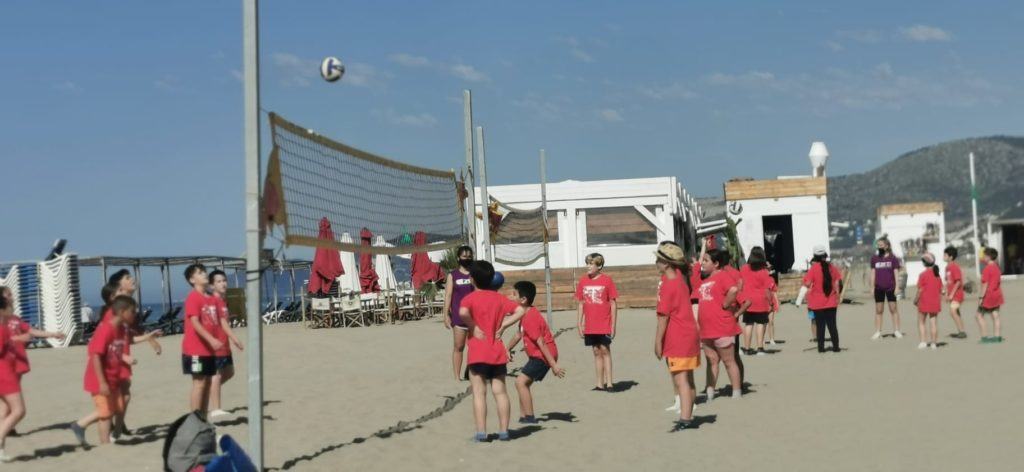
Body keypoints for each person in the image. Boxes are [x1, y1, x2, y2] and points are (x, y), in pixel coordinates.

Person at [458, 261, 527, 442]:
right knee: (500, 392)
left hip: (478, 352)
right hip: (496, 351)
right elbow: (520, 310)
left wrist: (473, 326)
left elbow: (463, 313)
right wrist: (504, 325)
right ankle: (504, 431)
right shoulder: (499, 298)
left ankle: (481, 433)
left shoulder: (469, 298)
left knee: (479, 393)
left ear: (472, 279)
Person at [69, 296, 137, 447]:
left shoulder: (122, 329)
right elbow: (96, 356)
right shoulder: (106, 329)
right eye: (132, 311)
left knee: (117, 407)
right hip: (98, 379)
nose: (135, 314)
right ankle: (104, 445)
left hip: (113, 378)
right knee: (105, 413)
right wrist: (102, 382)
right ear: (122, 312)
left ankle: (80, 425)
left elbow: (116, 352)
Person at [0, 286, 65, 441]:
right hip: (6, 363)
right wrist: (19, 339)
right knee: (10, 402)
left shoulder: (15, 319)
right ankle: (4, 428)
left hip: (16, 361)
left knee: (9, 401)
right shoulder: (3, 320)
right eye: (8, 294)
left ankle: (8, 428)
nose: (12, 296)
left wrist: (52, 334)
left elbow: (31, 331)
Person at [106, 270, 161, 440]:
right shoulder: (115, 308)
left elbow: (132, 332)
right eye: (127, 278)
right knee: (120, 392)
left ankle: (117, 425)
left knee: (124, 391)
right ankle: (110, 426)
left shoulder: (130, 306)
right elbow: (107, 336)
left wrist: (151, 339)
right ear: (119, 286)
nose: (133, 279)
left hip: (123, 353)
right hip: (115, 355)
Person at [653, 242, 700, 431]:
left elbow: (663, 317)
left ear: (666, 263)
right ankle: (688, 412)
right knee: (688, 378)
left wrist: (658, 341)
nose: (656, 263)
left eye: (659, 259)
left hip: (678, 336)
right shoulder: (679, 278)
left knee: (681, 380)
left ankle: (685, 418)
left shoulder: (669, 285)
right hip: (689, 333)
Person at [505, 281, 565, 425]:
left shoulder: (530, 318)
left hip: (543, 356)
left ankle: (529, 417)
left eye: (513, 294)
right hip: (538, 355)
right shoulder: (525, 313)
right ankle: (524, 415)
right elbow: (518, 334)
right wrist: (507, 348)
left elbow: (541, 342)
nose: (510, 297)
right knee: (523, 384)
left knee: (520, 382)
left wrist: (553, 365)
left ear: (523, 300)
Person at [697, 249, 742, 400]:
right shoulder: (705, 280)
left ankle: (736, 392)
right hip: (706, 328)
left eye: (706, 260)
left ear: (716, 263)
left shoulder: (723, 276)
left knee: (729, 361)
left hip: (722, 325)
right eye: (703, 260)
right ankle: (710, 391)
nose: (703, 263)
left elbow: (734, 289)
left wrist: (725, 304)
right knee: (711, 361)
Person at [181, 264, 223, 415]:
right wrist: (211, 340)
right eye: (199, 273)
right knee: (199, 383)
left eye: (204, 271)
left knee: (207, 382)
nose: (204, 274)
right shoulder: (193, 297)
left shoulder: (210, 298)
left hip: (209, 351)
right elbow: (195, 322)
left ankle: (203, 417)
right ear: (192, 280)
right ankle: (195, 419)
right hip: (195, 351)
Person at [575, 253, 619, 391]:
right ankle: (599, 383)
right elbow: (581, 303)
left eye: (591, 264)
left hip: (604, 323)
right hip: (590, 324)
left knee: (605, 350)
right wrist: (579, 323)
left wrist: (613, 325)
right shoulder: (583, 281)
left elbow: (613, 303)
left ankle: (609, 383)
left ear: (599, 266)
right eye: (587, 263)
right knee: (596, 351)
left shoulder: (607, 280)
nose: (588, 266)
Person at [207, 270, 245, 418]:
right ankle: (216, 408)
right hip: (217, 344)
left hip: (224, 344)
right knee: (216, 375)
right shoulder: (213, 301)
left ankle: (209, 389)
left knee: (229, 372)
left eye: (224, 280)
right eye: (219, 281)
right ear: (212, 286)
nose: (223, 283)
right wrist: (235, 339)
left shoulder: (223, 301)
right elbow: (222, 324)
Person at [443, 246, 475, 381]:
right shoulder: (453, 275)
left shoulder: (475, 273)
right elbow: (448, 295)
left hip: (475, 317)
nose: (467, 259)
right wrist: (445, 314)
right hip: (458, 316)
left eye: (469, 257)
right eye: (464, 256)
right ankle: (457, 377)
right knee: (459, 346)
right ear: (458, 258)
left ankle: (471, 371)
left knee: (474, 346)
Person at [802, 246, 843, 353]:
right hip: (831, 301)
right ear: (825, 255)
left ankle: (821, 348)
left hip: (817, 302)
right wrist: (838, 296)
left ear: (815, 257)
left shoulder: (814, 268)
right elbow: (838, 282)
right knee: (832, 326)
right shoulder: (832, 267)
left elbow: (807, 283)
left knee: (820, 326)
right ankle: (836, 347)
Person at [737, 247, 774, 355]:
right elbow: (767, 290)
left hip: (747, 301)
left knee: (748, 324)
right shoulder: (764, 271)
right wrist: (771, 302)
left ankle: (747, 348)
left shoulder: (744, 268)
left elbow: (740, 284)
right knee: (760, 323)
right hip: (761, 301)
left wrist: (741, 298)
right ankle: (760, 348)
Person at [870, 237, 904, 340]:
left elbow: (896, 273)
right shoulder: (874, 258)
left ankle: (896, 331)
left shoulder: (893, 258)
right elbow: (873, 273)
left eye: (881, 245)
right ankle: (878, 331)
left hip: (891, 287)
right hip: (878, 288)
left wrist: (897, 287)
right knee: (879, 310)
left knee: (893, 309)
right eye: (878, 245)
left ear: (886, 246)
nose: (879, 247)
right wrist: (872, 287)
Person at [915, 253, 942, 349]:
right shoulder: (937, 275)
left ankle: (923, 342)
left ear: (924, 263)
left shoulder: (922, 275)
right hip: (935, 303)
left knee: (921, 322)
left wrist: (916, 300)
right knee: (933, 323)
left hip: (924, 302)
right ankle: (933, 343)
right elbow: (941, 289)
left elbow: (920, 290)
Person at [977, 248, 1004, 343]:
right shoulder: (997, 267)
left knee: (979, 315)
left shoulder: (987, 268)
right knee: (995, 315)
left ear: (988, 257)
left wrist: (981, 297)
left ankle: (985, 337)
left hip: (988, 295)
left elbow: (985, 284)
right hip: (997, 294)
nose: (983, 257)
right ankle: (997, 336)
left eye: (984, 256)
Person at [943, 247, 967, 339]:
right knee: (956, 312)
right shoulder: (947, 268)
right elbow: (947, 281)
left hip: (957, 294)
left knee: (952, 311)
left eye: (945, 255)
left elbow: (958, 282)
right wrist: (946, 294)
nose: (943, 256)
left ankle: (962, 331)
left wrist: (952, 294)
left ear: (951, 257)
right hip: (951, 294)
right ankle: (961, 330)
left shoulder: (954, 267)